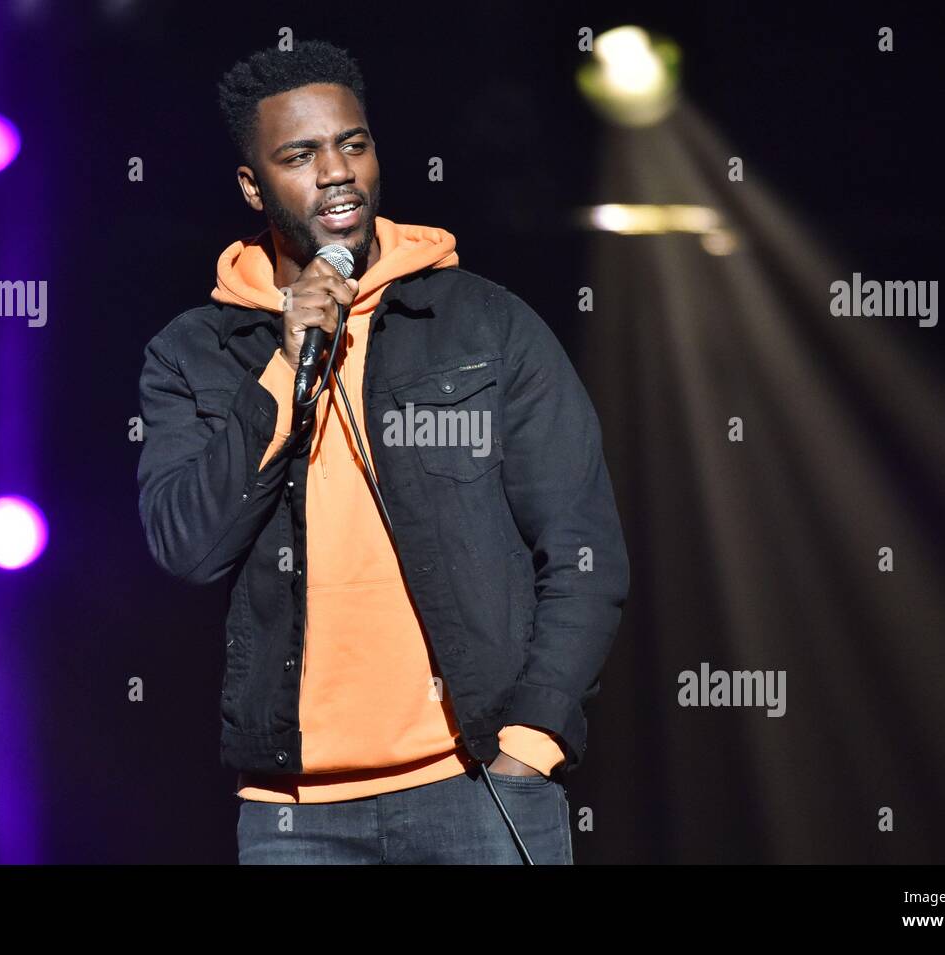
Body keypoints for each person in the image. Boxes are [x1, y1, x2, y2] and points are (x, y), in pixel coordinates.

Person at [135, 39, 628, 864]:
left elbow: (583, 549)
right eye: (300, 154)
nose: (336, 171)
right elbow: (187, 546)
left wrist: (531, 743)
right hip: (294, 818)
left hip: (478, 788)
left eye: (351, 144)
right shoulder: (193, 353)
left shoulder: (484, 324)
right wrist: (287, 365)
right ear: (253, 186)